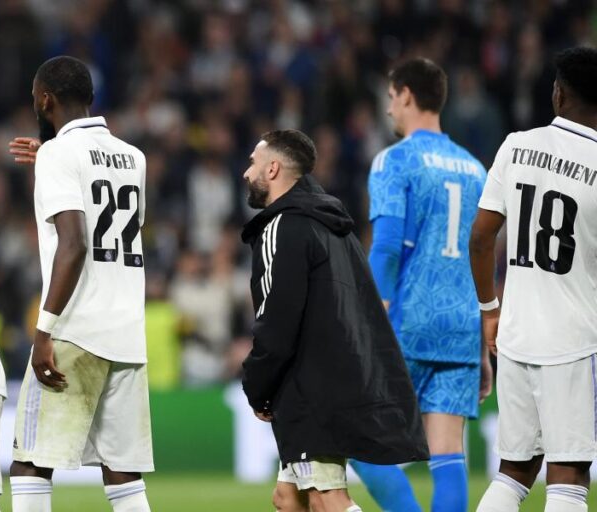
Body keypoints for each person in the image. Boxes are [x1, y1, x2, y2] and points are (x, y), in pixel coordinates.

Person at [239, 129, 428, 512]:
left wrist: (257, 385)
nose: (246, 173)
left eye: (253, 163)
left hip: (311, 388)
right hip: (338, 375)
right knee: (287, 498)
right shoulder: (331, 225)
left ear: (272, 169)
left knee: (329, 502)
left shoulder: (283, 227)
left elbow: (276, 321)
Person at [9, 55, 153, 512]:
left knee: (30, 462)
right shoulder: (135, 157)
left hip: (76, 327)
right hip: (127, 331)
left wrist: (43, 330)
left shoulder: (56, 154)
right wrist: (50, 160)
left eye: (36, 99)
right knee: (122, 473)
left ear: (45, 99)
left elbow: (74, 244)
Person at [354, 57, 489, 512]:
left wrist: (371, 319)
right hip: (461, 327)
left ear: (407, 95)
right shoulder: (475, 170)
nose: (389, 109)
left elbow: (388, 246)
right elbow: (482, 254)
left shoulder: (395, 161)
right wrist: (480, 344)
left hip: (407, 320)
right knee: (448, 453)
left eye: (391, 98)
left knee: (358, 437)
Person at [472, 46, 597, 512]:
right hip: (574, 342)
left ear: (559, 94)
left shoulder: (516, 146)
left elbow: (482, 239)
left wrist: (490, 311)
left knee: (515, 472)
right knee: (568, 478)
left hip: (516, 334)